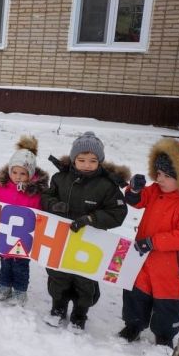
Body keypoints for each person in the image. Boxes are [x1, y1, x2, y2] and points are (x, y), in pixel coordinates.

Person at [41, 131, 130, 330]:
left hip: (91, 243)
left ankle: (80, 314)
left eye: (92, 160)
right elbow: (45, 197)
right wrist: (54, 204)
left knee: (85, 281)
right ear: (73, 160)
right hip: (62, 240)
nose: (86, 164)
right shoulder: (60, 178)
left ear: (100, 161)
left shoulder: (107, 186)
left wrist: (92, 219)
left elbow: (118, 212)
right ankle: (58, 308)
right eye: (81, 160)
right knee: (58, 275)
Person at [119, 138, 179, 348]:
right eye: (158, 174)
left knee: (168, 302)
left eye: (166, 176)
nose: (160, 179)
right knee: (136, 292)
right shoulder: (156, 190)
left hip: (171, 266)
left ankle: (164, 336)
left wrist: (153, 242)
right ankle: (133, 325)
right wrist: (135, 190)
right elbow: (137, 201)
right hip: (143, 258)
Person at [0, 136, 49, 304]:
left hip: (24, 236)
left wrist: (28, 192)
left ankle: (20, 291)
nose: (18, 176)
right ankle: (4, 286)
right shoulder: (2, 186)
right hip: (6, 233)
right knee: (5, 260)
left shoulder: (35, 192)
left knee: (21, 264)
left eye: (23, 173)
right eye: (14, 172)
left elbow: (40, 210)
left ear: (30, 174)